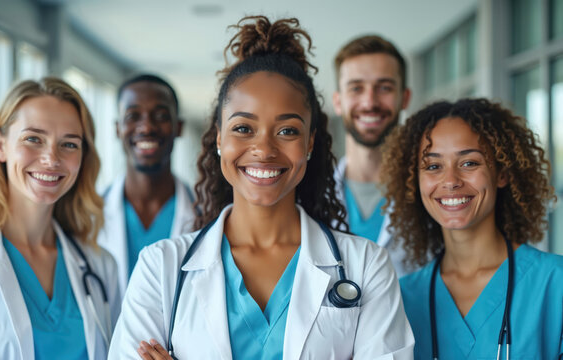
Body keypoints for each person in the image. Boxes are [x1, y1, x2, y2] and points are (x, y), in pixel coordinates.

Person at [109, 16, 414, 360]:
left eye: (287, 131)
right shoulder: (159, 267)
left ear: (310, 142)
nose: (264, 150)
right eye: (243, 128)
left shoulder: (367, 266)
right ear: (219, 139)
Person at [0, 78, 120, 359]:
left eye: (69, 144)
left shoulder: (99, 266)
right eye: (33, 139)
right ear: (0, 145)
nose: (51, 159)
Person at [381, 98, 562, 359]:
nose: (451, 181)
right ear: (414, 182)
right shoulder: (400, 298)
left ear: (502, 173)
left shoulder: (554, 283)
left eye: (469, 163)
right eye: (433, 166)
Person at [98, 74, 195, 299]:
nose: (147, 127)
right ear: (117, 128)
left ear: (178, 127)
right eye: (133, 116)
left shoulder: (206, 214)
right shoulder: (89, 213)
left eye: (160, 116)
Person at [331, 35, 413, 276]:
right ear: (338, 101)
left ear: (404, 98)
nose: (370, 102)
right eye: (356, 88)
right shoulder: (307, 196)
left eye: (384, 88)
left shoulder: (429, 194)